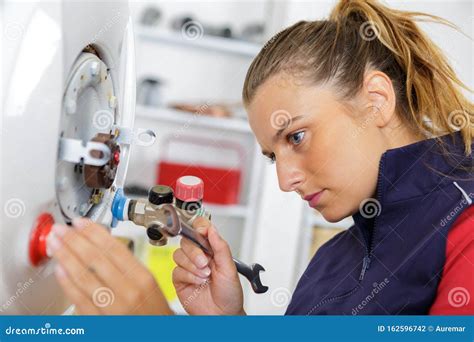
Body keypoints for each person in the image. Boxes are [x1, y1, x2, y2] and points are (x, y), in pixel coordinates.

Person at [49, 0, 473, 315]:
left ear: (376, 100)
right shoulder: (332, 260)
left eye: (297, 136)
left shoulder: (464, 225)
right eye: (273, 156)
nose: (285, 180)